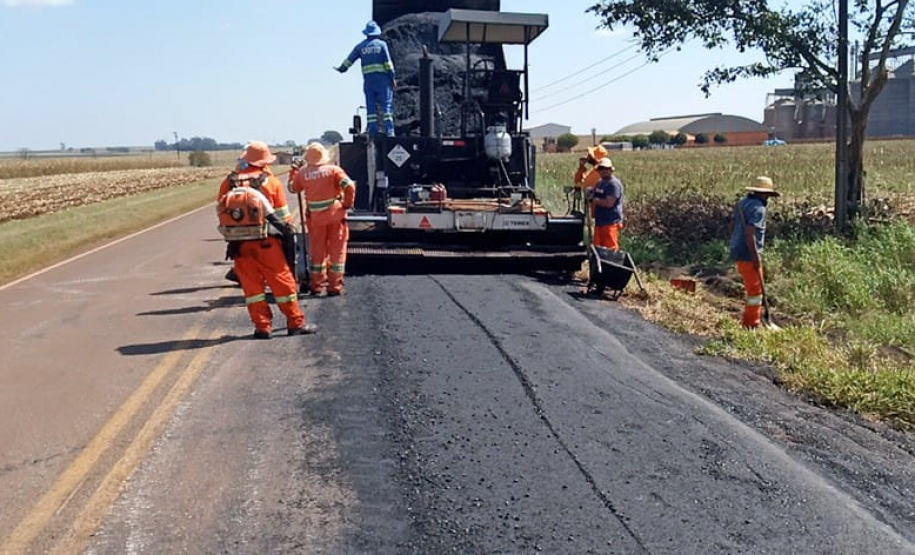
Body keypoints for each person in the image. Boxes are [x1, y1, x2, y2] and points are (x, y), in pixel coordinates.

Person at [217, 141, 316, 338]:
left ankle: (262, 327)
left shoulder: (230, 182)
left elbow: (222, 211)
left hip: (240, 245)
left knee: (252, 288)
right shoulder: (270, 182)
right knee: (283, 284)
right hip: (268, 243)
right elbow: (283, 218)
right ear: (264, 161)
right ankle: (295, 323)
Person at [290, 142, 356, 297]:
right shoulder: (334, 170)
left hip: (316, 220)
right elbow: (350, 186)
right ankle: (334, 286)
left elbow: (292, 188)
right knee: (337, 253)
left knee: (317, 253)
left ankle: (317, 285)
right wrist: (347, 204)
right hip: (336, 216)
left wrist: (294, 171)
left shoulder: (303, 173)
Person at [729, 176, 780, 329]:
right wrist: (755, 257)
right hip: (749, 254)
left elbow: (731, 225)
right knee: (755, 292)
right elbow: (750, 233)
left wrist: (734, 243)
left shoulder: (741, 204)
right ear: (765, 194)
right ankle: (751, 324)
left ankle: (755, 319)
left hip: (738, 250)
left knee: (754, 289)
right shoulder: (759, 208)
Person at [335, 20, 397, 137]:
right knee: (386, 106)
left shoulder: (360, 47)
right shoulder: (382, 45)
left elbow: (349, 61)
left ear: (367, 33)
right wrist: (392, 77)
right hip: (383, 81)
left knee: (371, 107)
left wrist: (341, 69)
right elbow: (388, 64)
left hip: (369, 82)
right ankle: (390, 131)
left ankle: (373, 130)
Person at [588, 157, 624, 251]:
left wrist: (594, 200)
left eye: (606, 168)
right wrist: (590, 193)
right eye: (601, 169)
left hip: (610, 222)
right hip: (600, 222)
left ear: (610, 169)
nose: (603, 171)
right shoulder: (600, 183)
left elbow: (609, 203)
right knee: (598, 249)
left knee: (610, 250)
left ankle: (611, 265)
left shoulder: (613, 184)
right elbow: (594, 195)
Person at [572, 144, 608, 213]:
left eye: (590, 154)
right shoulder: (595, 170)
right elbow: (579, 181)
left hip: (598, 210)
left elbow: (581, 184)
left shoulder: (596, 172)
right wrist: (581, 167)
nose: (587, 156)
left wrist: (581, 169)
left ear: (594, 157)